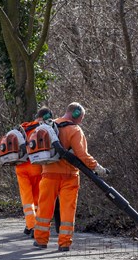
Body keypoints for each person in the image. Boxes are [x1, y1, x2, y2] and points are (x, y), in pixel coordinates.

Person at [33, 102, 107, 251]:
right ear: (76, 114)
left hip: (48, 173)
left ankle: (40, 240)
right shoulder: (75, 130)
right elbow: (82, 155)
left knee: (44, 208)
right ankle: (64, 243)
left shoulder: (49, 126)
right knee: (68, 209)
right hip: (69, 176)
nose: (81, 120)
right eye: (82, 117)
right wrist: (98, 168)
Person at [16, 106, 53, 238]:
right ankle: (34, 226)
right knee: (37, 198)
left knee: (27, 199)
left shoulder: (23, 127)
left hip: (20, 167)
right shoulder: (44, 128)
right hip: (36, 166)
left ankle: (30, 225)